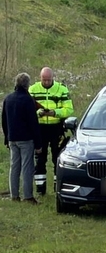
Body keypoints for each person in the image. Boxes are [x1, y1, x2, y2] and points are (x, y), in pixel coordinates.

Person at [29, 66, 74, 196]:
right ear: (40, 78)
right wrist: (38, 113)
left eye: (49, 80)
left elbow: (69, 109)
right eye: (44, 80)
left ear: (53, 78)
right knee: (40, 159)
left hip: (56, 128)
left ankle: (57, 188)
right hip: (40, 128)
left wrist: (55, 113)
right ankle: (40, 190)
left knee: (58, 158)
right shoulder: (33, 90)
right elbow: (28, 109)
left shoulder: (61, 89)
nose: (46, 82)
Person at [3, 73, 43, 204]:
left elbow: (4, 121)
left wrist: (6, 138)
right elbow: (33, 123)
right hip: (26, 139)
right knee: (27, 167)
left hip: (12, 138)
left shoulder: (8, 98)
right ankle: (27, 196)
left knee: (14, 166)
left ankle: (14, 195)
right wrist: (38, 144)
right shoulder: (28, 100)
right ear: (27, 85)